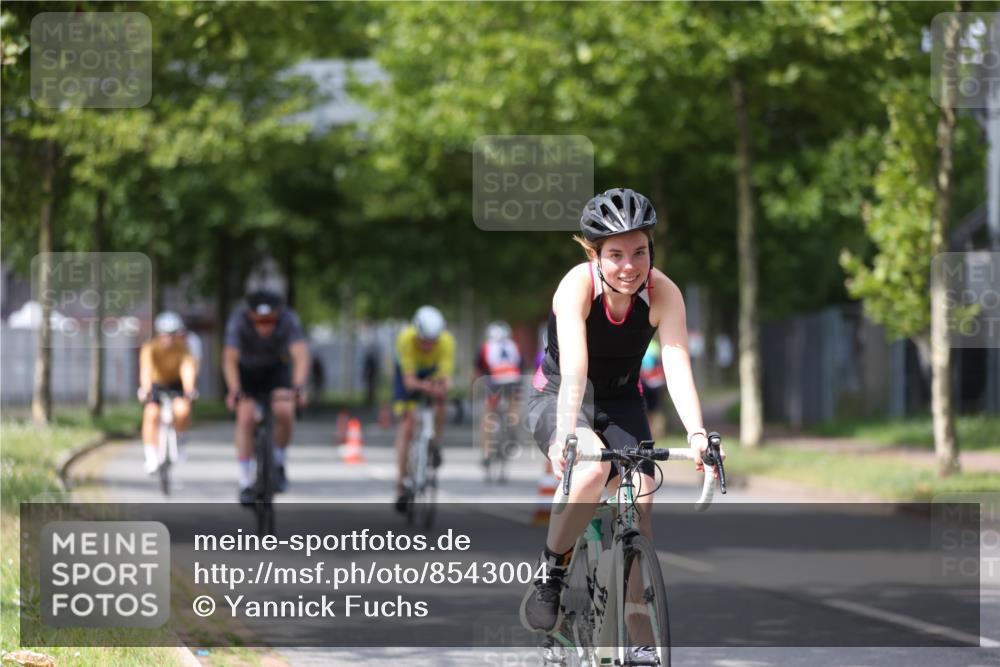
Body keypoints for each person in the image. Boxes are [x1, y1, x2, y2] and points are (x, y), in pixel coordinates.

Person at [519, 189, 724, 657]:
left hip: (621, 396)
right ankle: (551, 571)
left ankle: (640, 642)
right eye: (615, 255)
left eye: (639, 252)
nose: (629, 266)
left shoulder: (663, 292)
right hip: (562, 393)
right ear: (594, 254)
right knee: (591, 471)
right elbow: (575, 365)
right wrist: (568, 435)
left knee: (643, 491)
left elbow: (675, 364)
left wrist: (696, 434)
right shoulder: (577, 285)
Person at [223, 289, 310, 505]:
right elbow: (230, 357)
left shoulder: (289, 319)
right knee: (245, 418)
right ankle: (245, 481)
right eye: (259, 322)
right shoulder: (238, 320)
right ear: (250, 315)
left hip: (276, 369)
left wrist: (298, 386)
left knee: (285, 411)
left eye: (270, 321)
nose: (265, 326)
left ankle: (279, 461)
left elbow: (300, 353)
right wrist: (234, 389)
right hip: (247, 372)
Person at [392, 305, 455, 512]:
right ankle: (401, 484)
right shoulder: (406, 339)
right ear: (416, 334)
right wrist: (423, 387)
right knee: (408, 424)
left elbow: (447, 380)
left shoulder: (446, 341)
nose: (428, 346)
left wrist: (440, 388)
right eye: (424, 342)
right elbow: (409, 383)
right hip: (409, 374)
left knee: (441, 401)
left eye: (432, 342)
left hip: (431, 372)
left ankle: (435, 443)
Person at [137, 311, 198, 474]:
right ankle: (151, 456)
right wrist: (146, 389)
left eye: (172, 334)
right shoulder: (150, 347)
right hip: (156, 384)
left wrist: (189, 389)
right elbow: (146, 369)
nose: (168, 339)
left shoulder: (183, 348)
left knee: (183, 411)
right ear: (159, 333)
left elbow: (187, 368)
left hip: (176, 384)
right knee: (151, 414)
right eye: (165, 335)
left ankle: (180, 439)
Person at [475, 320, 523, 465]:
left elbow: (479, 369)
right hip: (513, 379)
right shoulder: (514, 346)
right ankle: (513, 429)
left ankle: (488, 451)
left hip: (495, 381)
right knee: (514, 405)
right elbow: (521, 365)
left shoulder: (486, 347)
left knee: (488, 414)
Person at [639, 338, 667, 439]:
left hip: (650, 382)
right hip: (650, 382)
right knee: (651, 410)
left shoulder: (649, 344)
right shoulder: (655, 345)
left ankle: (655, 433)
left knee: (651, 410)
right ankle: (653, 433)